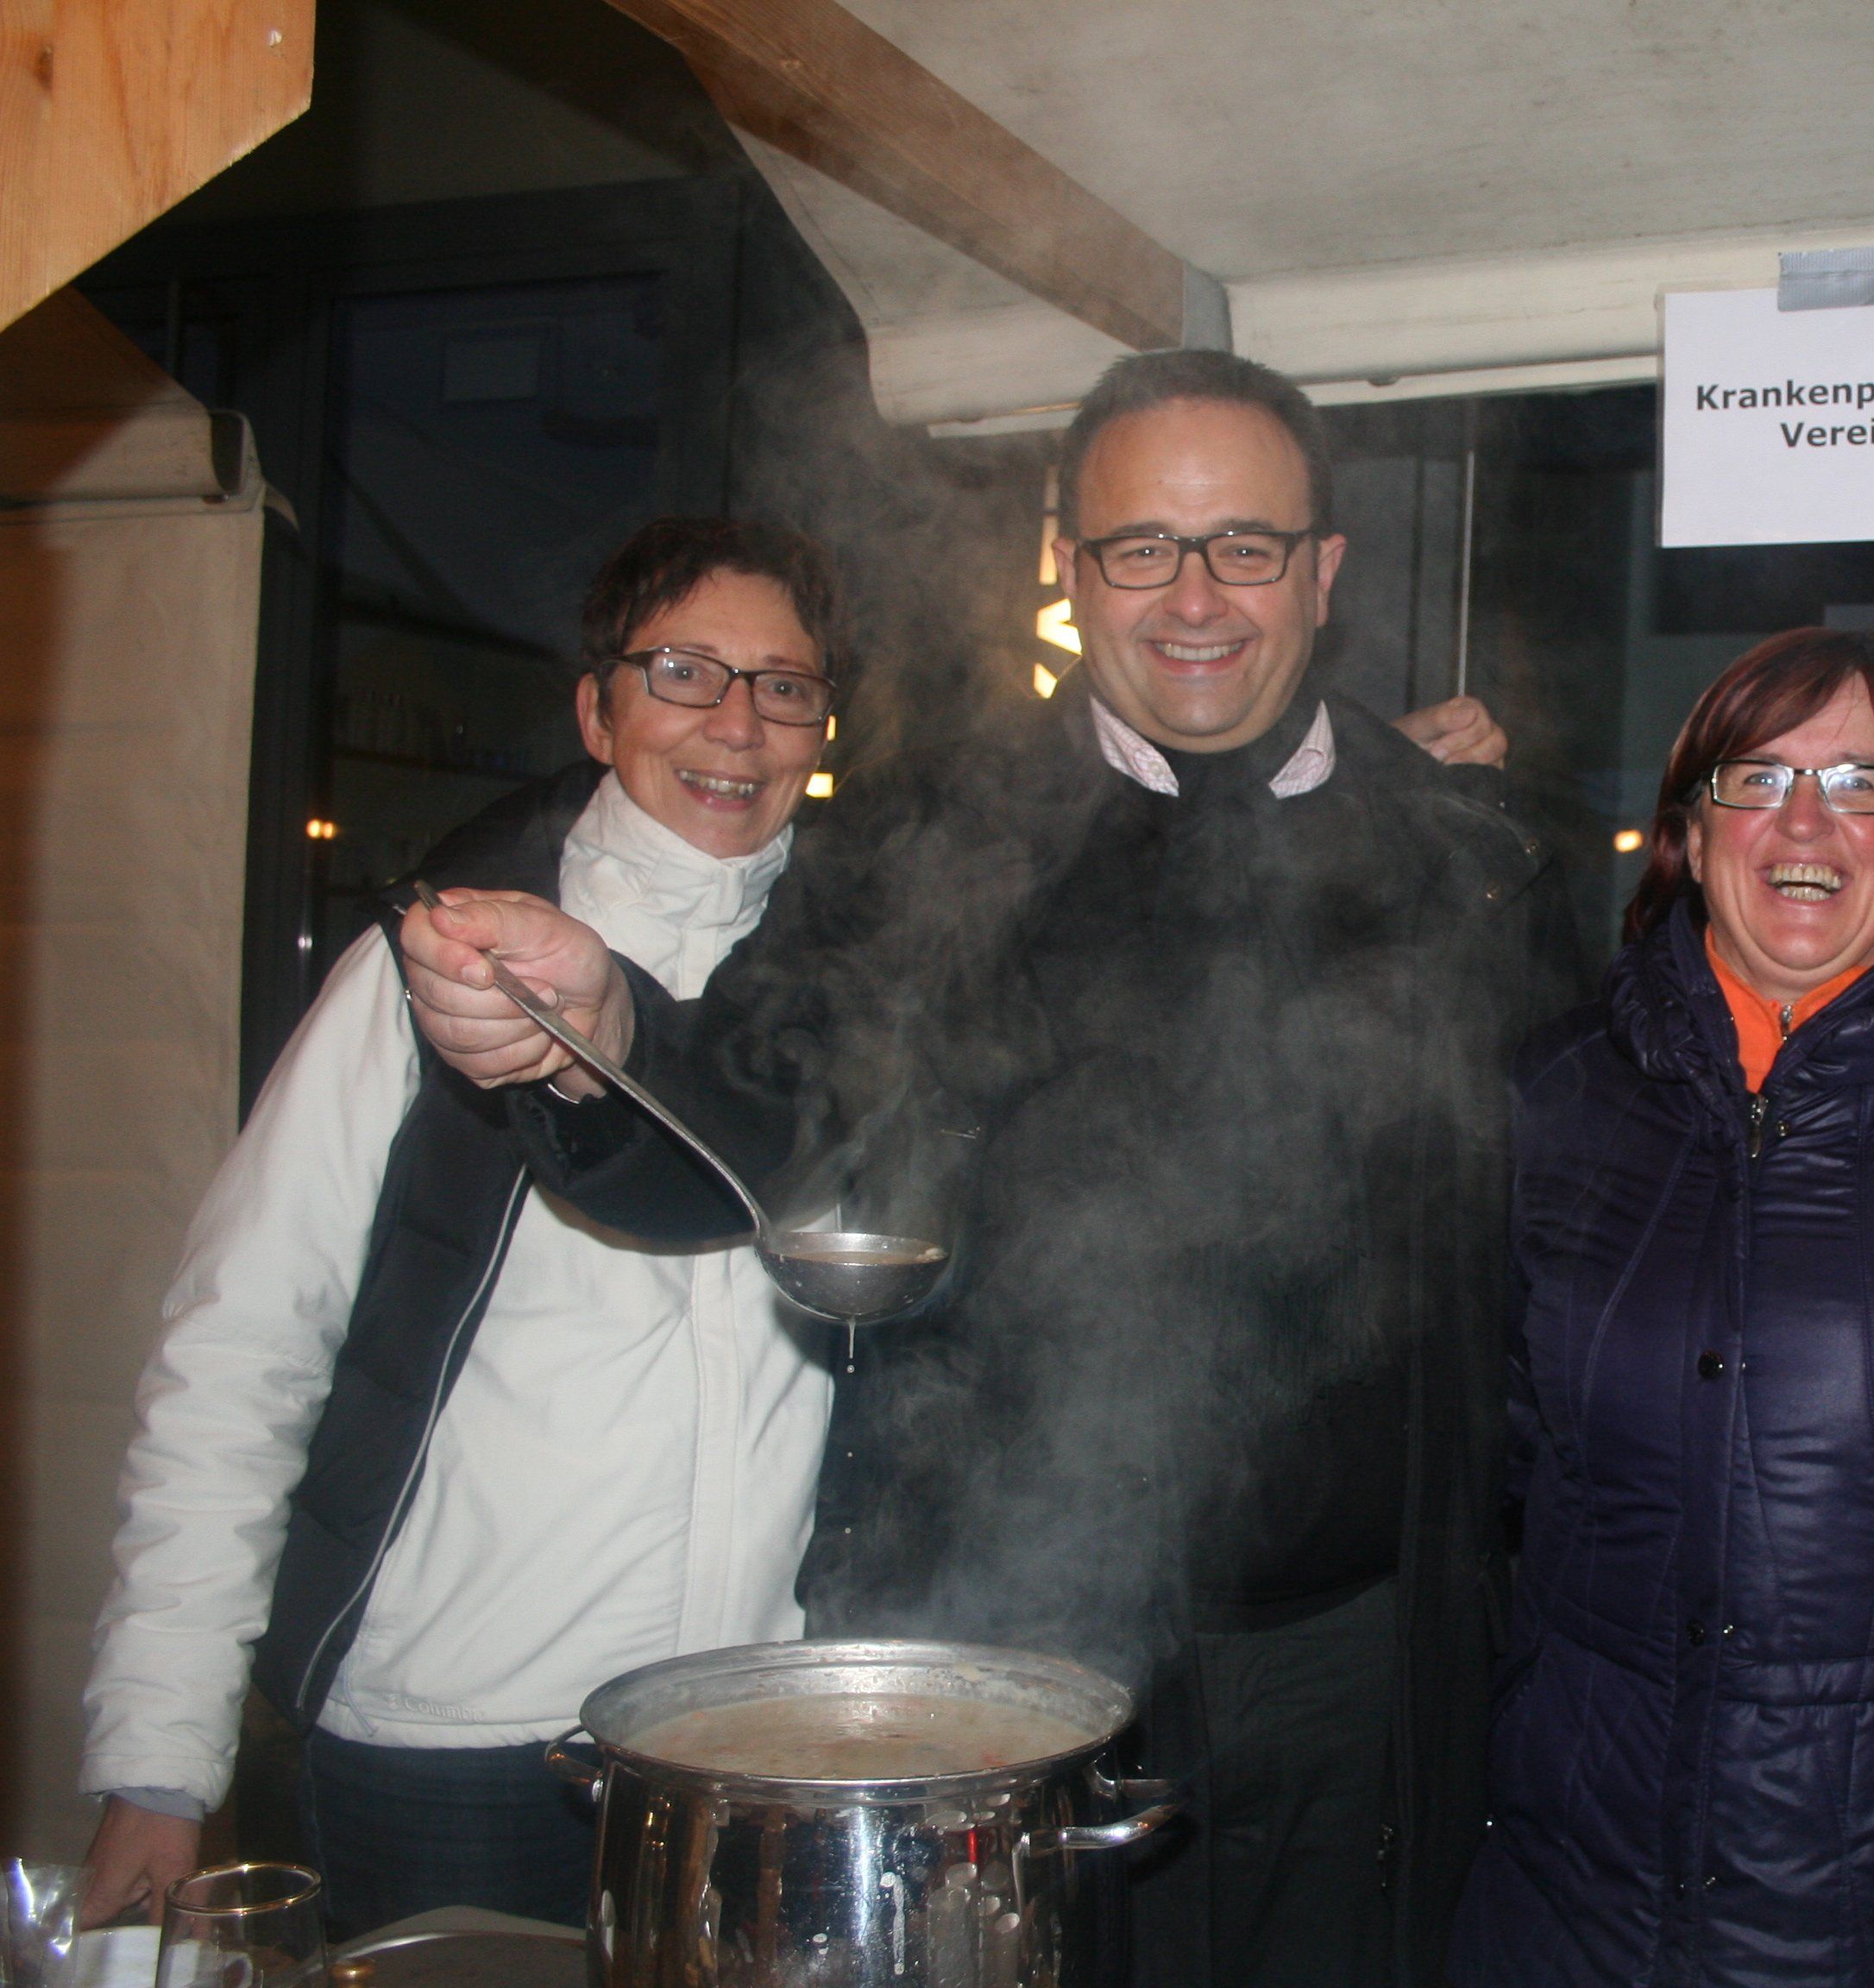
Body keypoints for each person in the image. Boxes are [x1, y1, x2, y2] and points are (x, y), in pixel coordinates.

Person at [393, 349, 1580, 1985]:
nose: (1194, 598)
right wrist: (596, 1042)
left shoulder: (1473, 858)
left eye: (1243, 545)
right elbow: (732, 1134)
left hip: (1366, 1660)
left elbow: (1583, 1230)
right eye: (1141, 547)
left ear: (1323, 573)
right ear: (1070, 570)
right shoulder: (922, 843)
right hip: (1012, 1648)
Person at [76, 519, 849, 1936]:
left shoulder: (860, 996)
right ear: (597, 711)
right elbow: (239, 1354)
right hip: (451, 1738)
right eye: (685, 672)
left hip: (750, 1738)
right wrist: (158, 1760)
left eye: (784, 686)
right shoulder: (438, 973)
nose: (739, 725)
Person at [1447, 629, 1874, 1987]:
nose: (1804, 823)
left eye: (1863, 783)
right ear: (1690, 827)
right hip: (1567, 1905)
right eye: (1757, 778)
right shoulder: (1553, 1092)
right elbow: (1491, 1487)